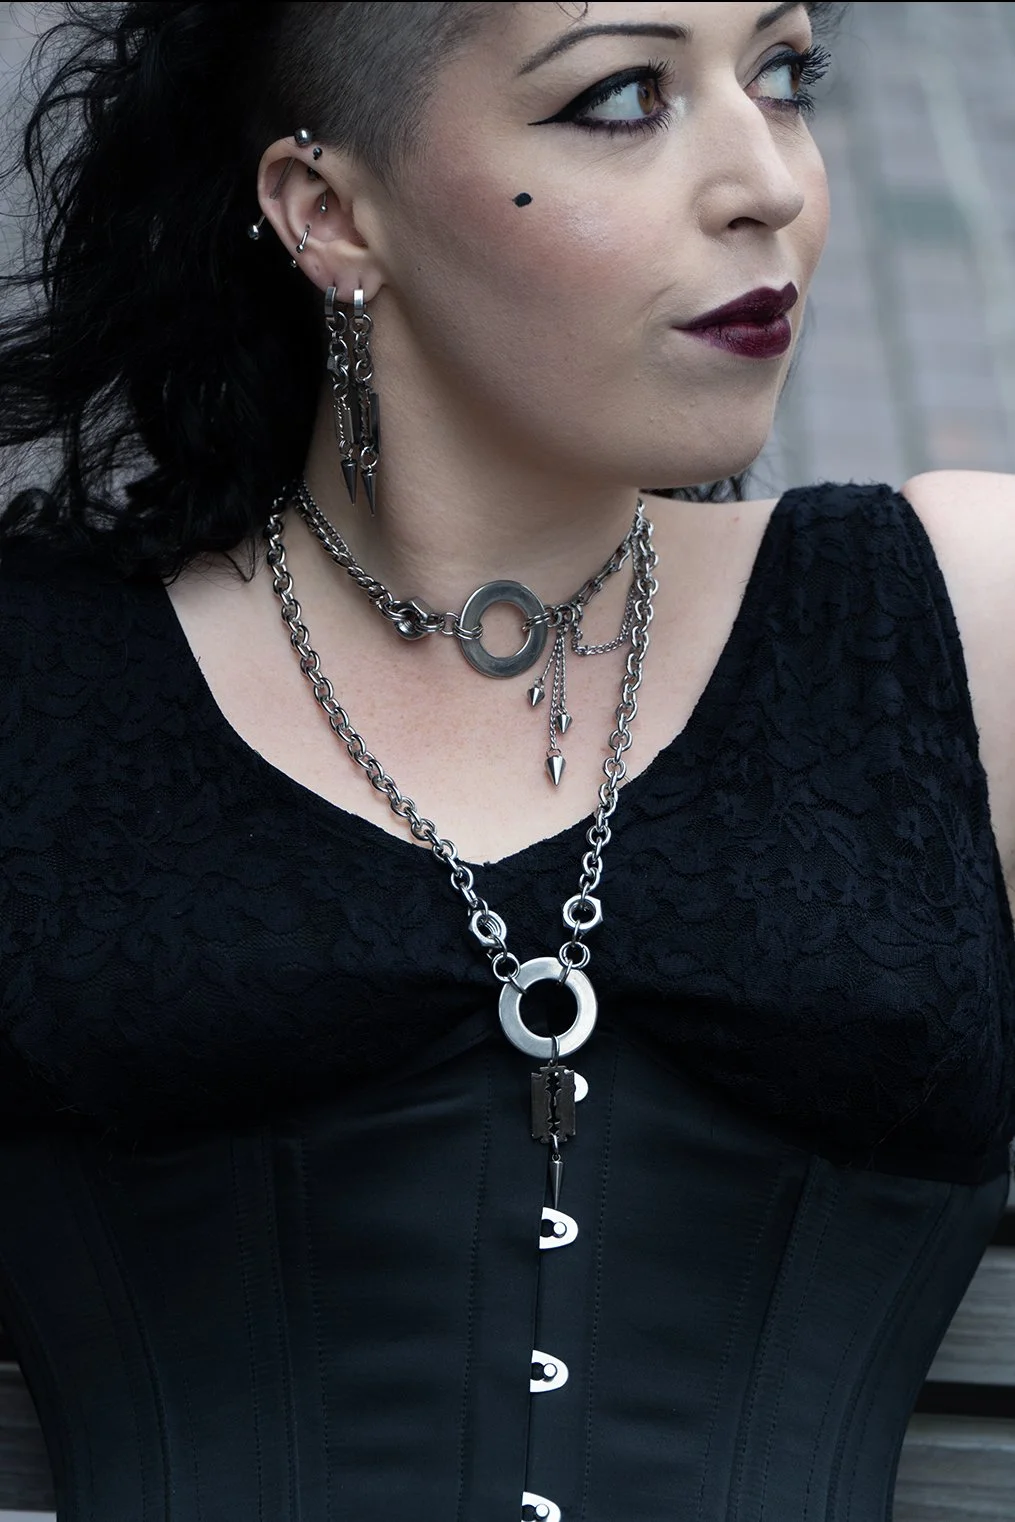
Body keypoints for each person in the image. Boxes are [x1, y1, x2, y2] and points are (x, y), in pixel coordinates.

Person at [0, 2, 1012, 1518]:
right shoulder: (40, 669)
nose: (771, 185)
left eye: (782, 76)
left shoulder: (964, 607)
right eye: (621, 99)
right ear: (331, 213)